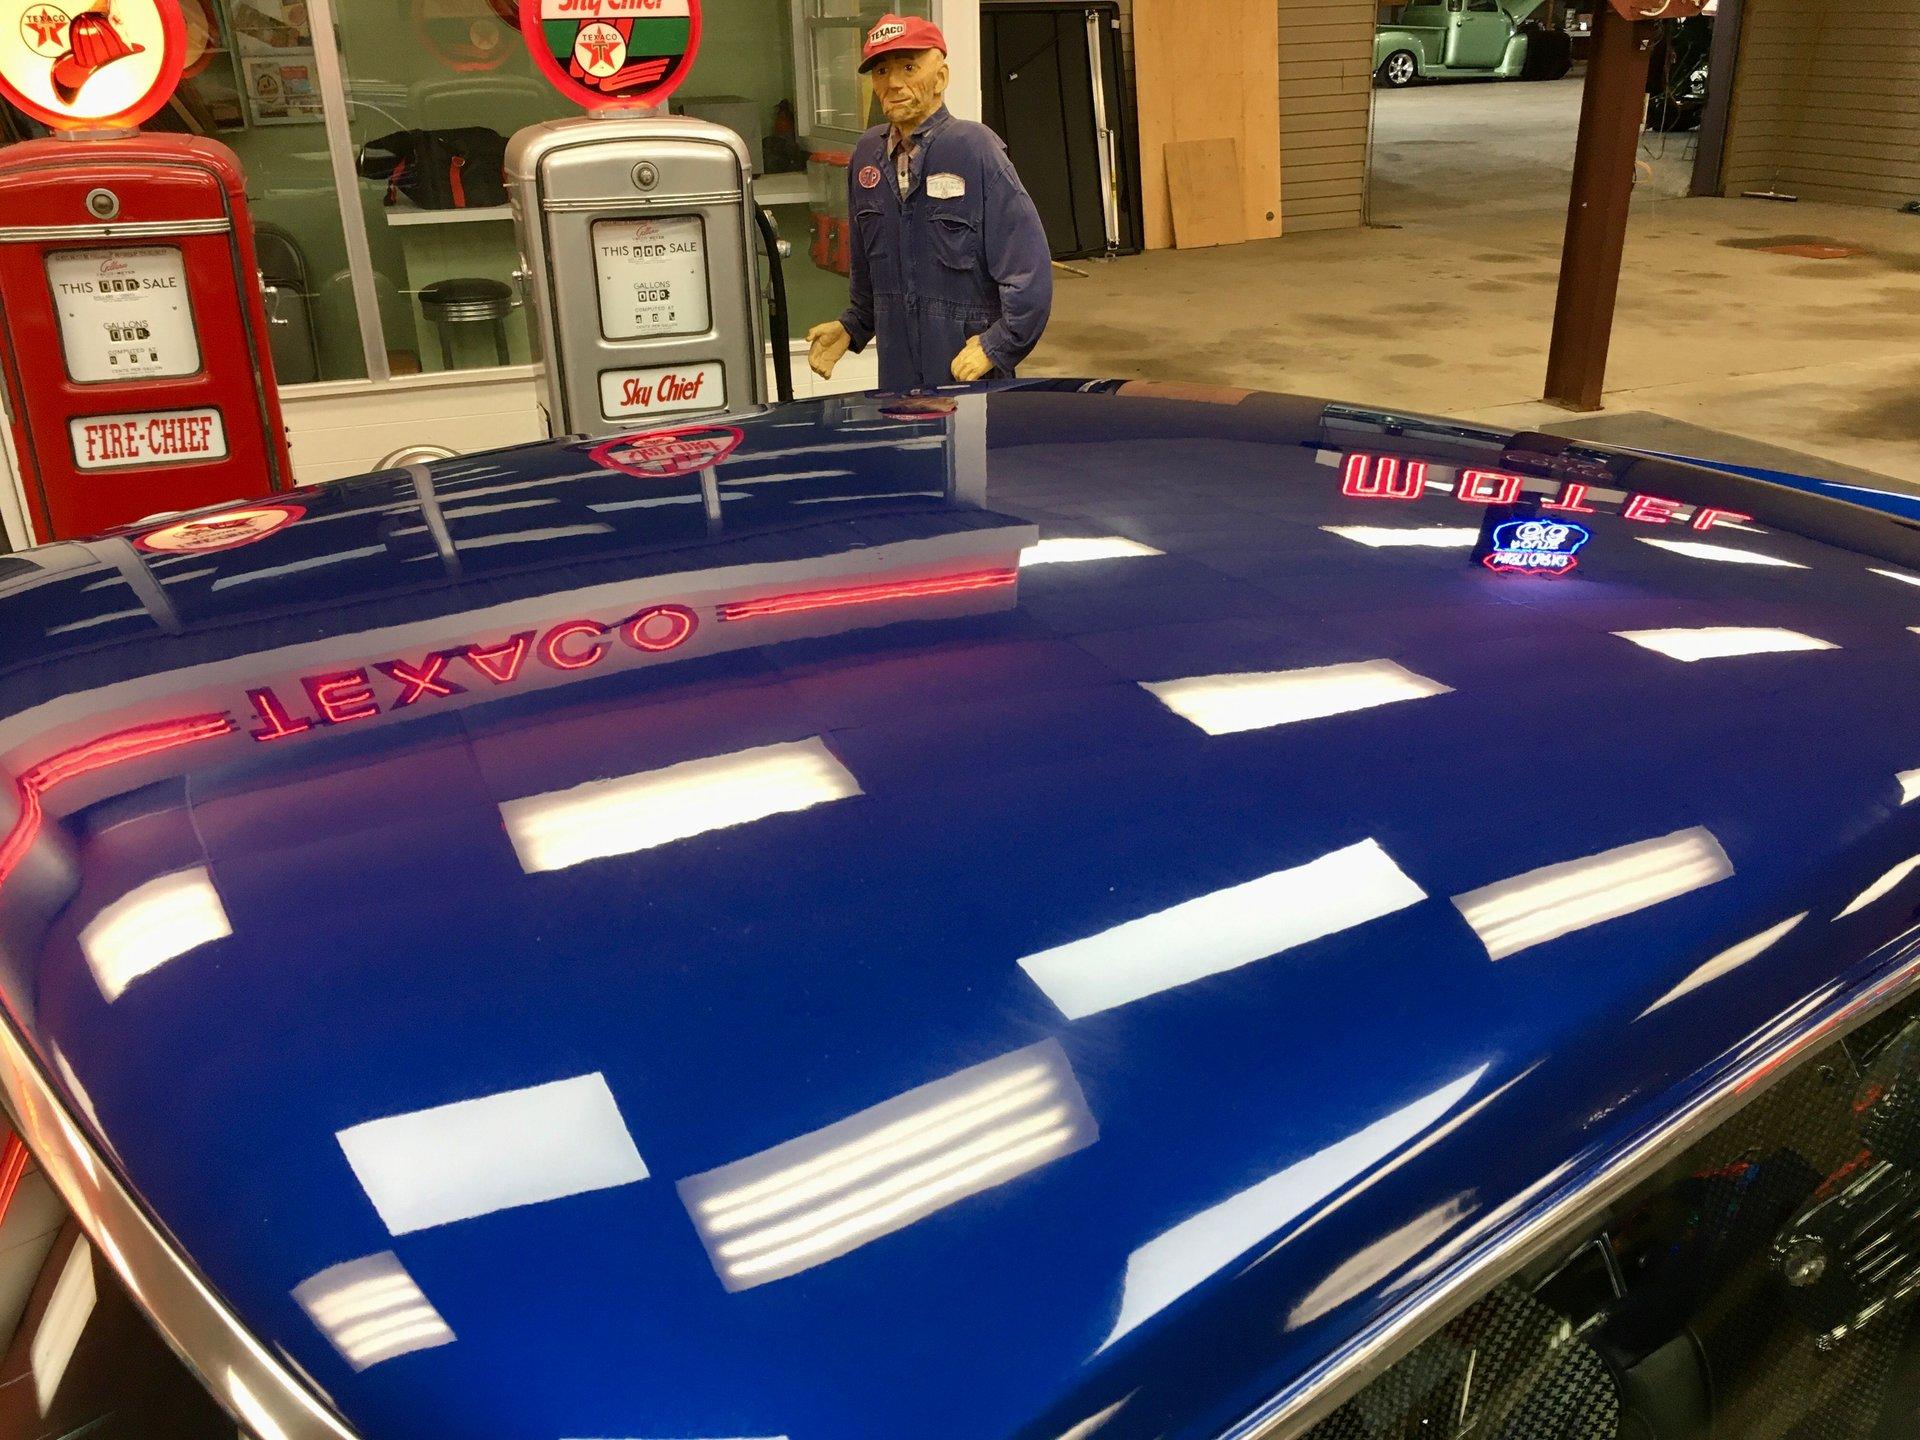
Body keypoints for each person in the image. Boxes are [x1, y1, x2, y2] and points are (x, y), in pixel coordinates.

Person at [805, 14, 1053, 391]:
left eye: (909, 67)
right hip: (897, 373)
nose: (893, 83)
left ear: (940, 78)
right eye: (882, 71)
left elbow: (1028, 271)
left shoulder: (974, 150)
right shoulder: (867, 155)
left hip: (966, 370)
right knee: (901, 430)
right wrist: (852, 325)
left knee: (969, 433)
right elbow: (866, 270)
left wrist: (997, 345)